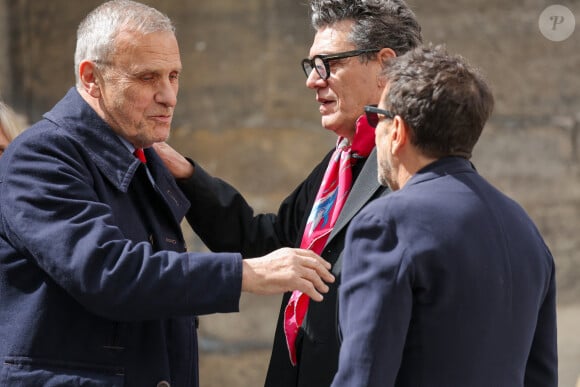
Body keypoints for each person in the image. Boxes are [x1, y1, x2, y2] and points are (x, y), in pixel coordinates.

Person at [0, 1, 335, 386]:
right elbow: (109, 271)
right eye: (147, 78)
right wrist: (246, 272)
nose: (169, 96)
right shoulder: (40, 156)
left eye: (173, 76)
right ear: (91, 78)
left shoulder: (136, 149)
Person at [154, 0, 423, 385]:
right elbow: (270, 242)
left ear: (385, 65)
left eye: (328, 64)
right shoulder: (339, 162)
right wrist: (188, 175)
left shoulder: (413, 168)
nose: (313, 80)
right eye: (311, 65)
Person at [331, 45, 558, 387]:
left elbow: (363, 377)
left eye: (376, 116)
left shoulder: (386, 224)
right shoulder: (523, 228)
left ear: (398, 132)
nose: (373, 129)